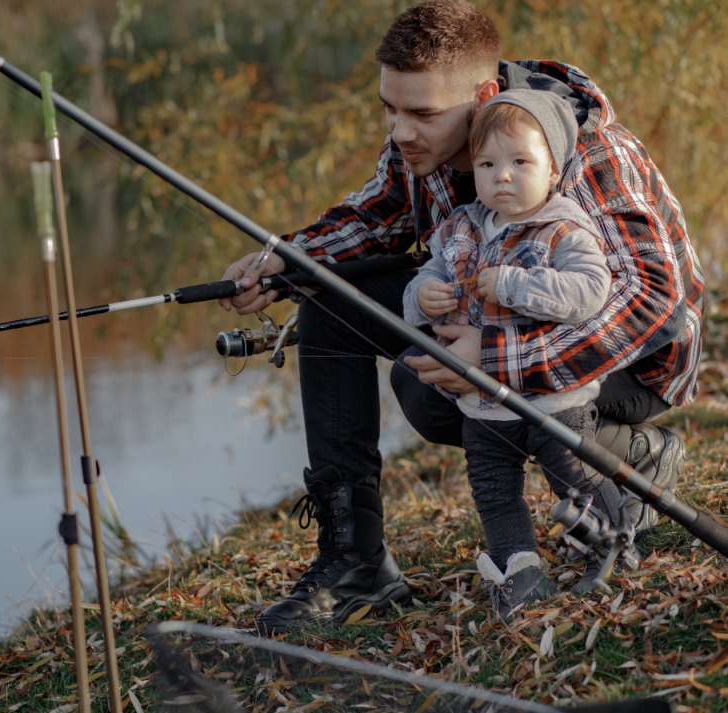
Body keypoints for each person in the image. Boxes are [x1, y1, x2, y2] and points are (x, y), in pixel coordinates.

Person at [217, 0, 704, 635]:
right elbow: (374, 216)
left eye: (420, 113)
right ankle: (356, 566)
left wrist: (496, 358)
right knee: (333, 303)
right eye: (389, 109)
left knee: (441, 383)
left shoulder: (585, 152)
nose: (399, 131)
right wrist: (280, 262)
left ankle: (628, 454)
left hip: (632, 368)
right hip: (495, 320)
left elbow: (651, 301)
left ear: (482, 94)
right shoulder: (423, 147)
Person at [404, 90, 630, 617]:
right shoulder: (461, 226)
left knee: (574, 477)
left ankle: (616, 534)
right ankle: (519, 568)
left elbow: (589, 292)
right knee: (494, 493)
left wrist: (512, 285)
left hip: (553, 398)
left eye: (520, 162)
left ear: (553, 170)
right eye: (487, 164)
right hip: (482, 407)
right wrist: (421, 296)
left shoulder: (564, 227)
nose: (501, 176)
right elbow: (425, 280)